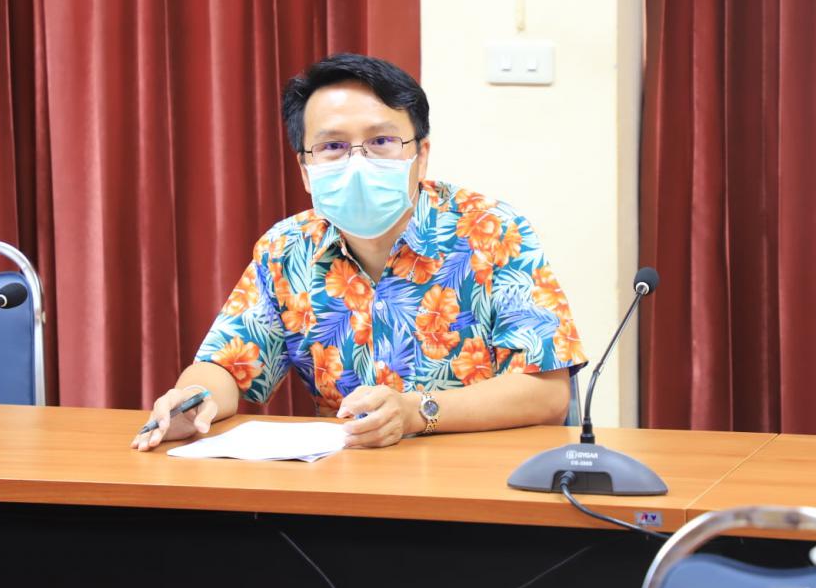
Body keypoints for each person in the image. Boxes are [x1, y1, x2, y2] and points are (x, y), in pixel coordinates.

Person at [132, 53, 586, 451]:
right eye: (332, 146)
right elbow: (225, 367)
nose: (357, 162)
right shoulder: (286, 248)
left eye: (381, 142)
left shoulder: (492, 231)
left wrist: (416, 412)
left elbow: (547, 394)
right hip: (348, 483)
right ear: (305, 169)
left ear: (421, 155)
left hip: (477, 479)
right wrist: (192, 400)